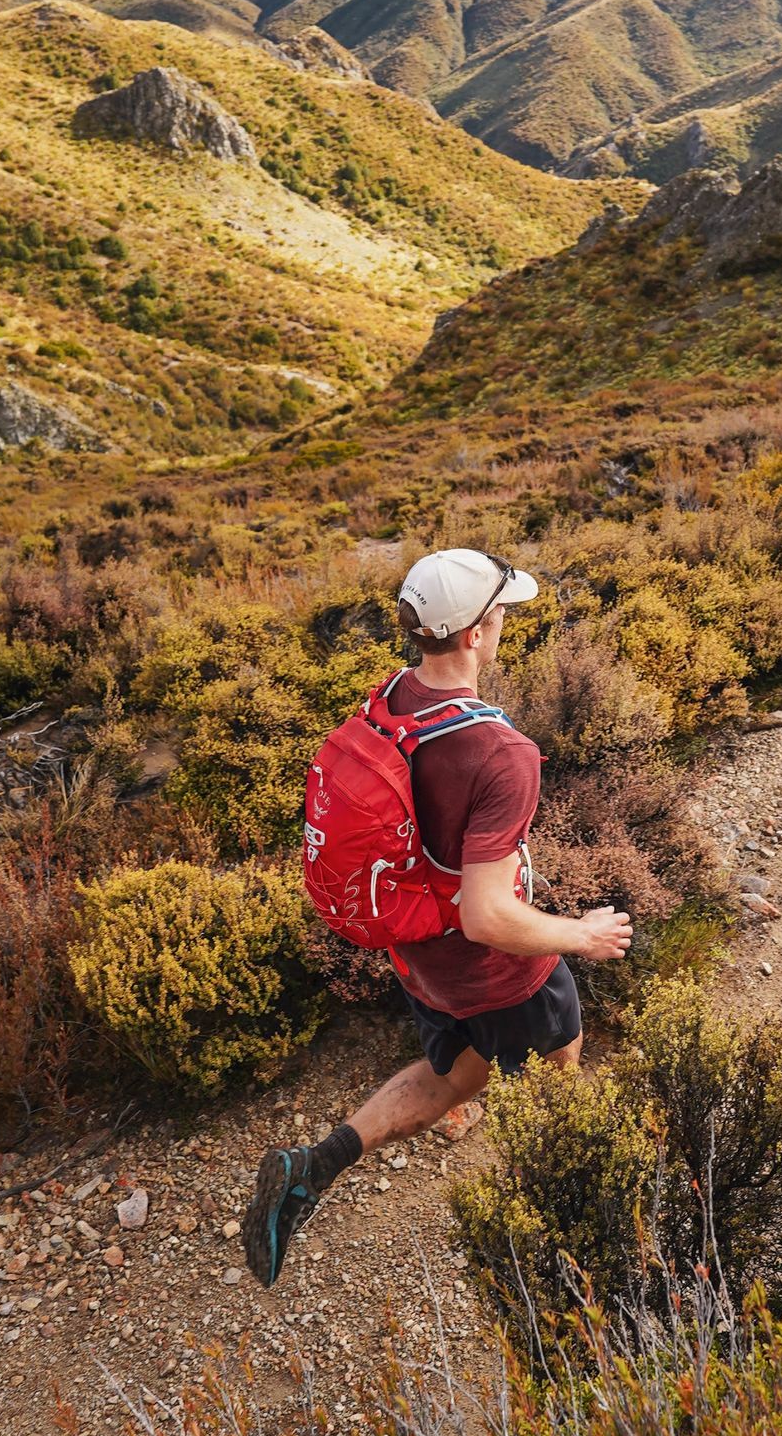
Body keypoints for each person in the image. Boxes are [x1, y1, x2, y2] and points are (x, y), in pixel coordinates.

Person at [245, 546, 633, 1287]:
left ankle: (311, 1168)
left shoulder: (390, 697)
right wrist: (580, 936)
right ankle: (574, 1234)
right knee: (560, 1080)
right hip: (500, 970)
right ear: (478, 632)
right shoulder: (501, 753)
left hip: (419, 958)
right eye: (501, 616)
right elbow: (488, 915)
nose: (503, 627)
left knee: (452, 1077)